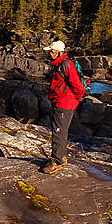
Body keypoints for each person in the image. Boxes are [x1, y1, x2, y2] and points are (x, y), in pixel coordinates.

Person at [41, 40, 85, 174]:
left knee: (58, 131)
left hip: (64, 103)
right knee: (62, 130)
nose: (50, 53)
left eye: (52, 51)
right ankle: (62, 156)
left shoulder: (65, 64)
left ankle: (56, 160)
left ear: (58, 52)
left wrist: (75, 97)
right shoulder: (60, 64)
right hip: (62, 102)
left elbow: (77, 85)